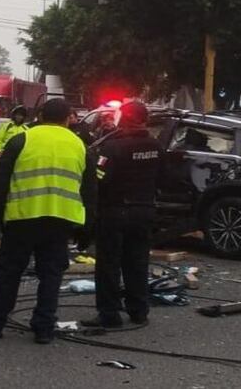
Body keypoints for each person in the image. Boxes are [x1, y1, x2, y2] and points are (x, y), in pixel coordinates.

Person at [0, 99, 93, 344]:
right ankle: (44, 328)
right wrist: (87, 228)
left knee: (9, 271)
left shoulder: (21, 140)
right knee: (51, 274)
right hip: (60, 220)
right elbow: (90, 190)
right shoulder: (80, 145)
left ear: (40, 115)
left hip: (22, 218)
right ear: (68, 118)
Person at [80, 100, 163, 328]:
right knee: (137, 262)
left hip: (115, 212)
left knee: (109, 264)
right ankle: (138, 310)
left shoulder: (112, 147)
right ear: (145, 119)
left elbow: (98, 179)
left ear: (123, 119)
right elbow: (162, 177)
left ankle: (109, 314)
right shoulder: (155, 146)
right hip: (144, 211)